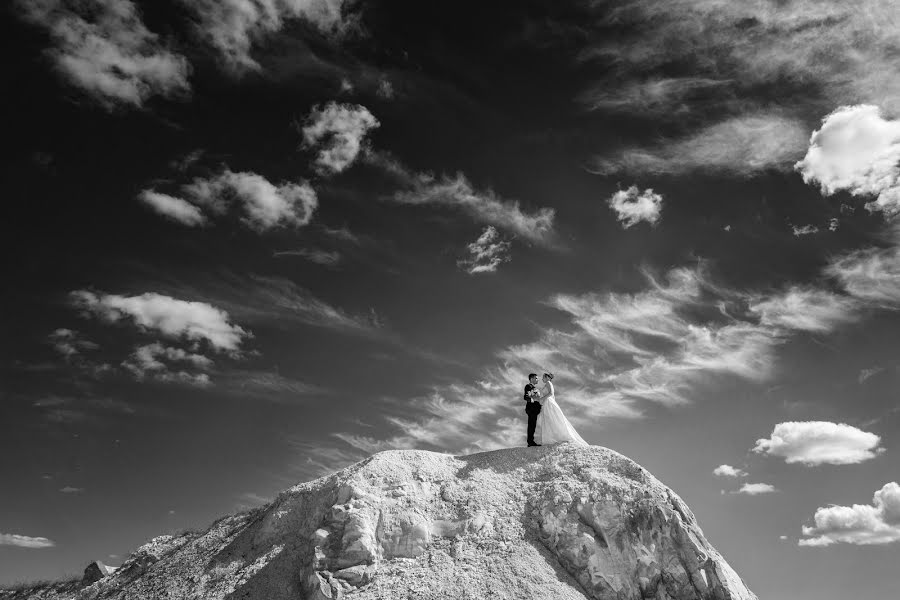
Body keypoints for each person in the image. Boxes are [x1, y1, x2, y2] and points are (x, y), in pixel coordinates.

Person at [535, 373, 588, 446]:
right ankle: (551, 438)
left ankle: (554, 437)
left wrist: (542, 399)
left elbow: (551, 393)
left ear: (547, 377)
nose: (542, 379)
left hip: (548, 401)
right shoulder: (548, 383)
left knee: (551, 419)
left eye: (543, 377)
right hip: (547, 402)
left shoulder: (548, 383)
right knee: (550, 419)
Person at [523, 373, 542, 446]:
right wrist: (532, 400)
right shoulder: (528, 386)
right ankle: (530, 442)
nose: (538, 379)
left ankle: (531, 441)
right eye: (536, 378)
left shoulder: (535, 388)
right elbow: (526, 397)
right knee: (531, 425)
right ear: (531, 379)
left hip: (535, 409)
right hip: (531, 409)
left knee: (533, 425)